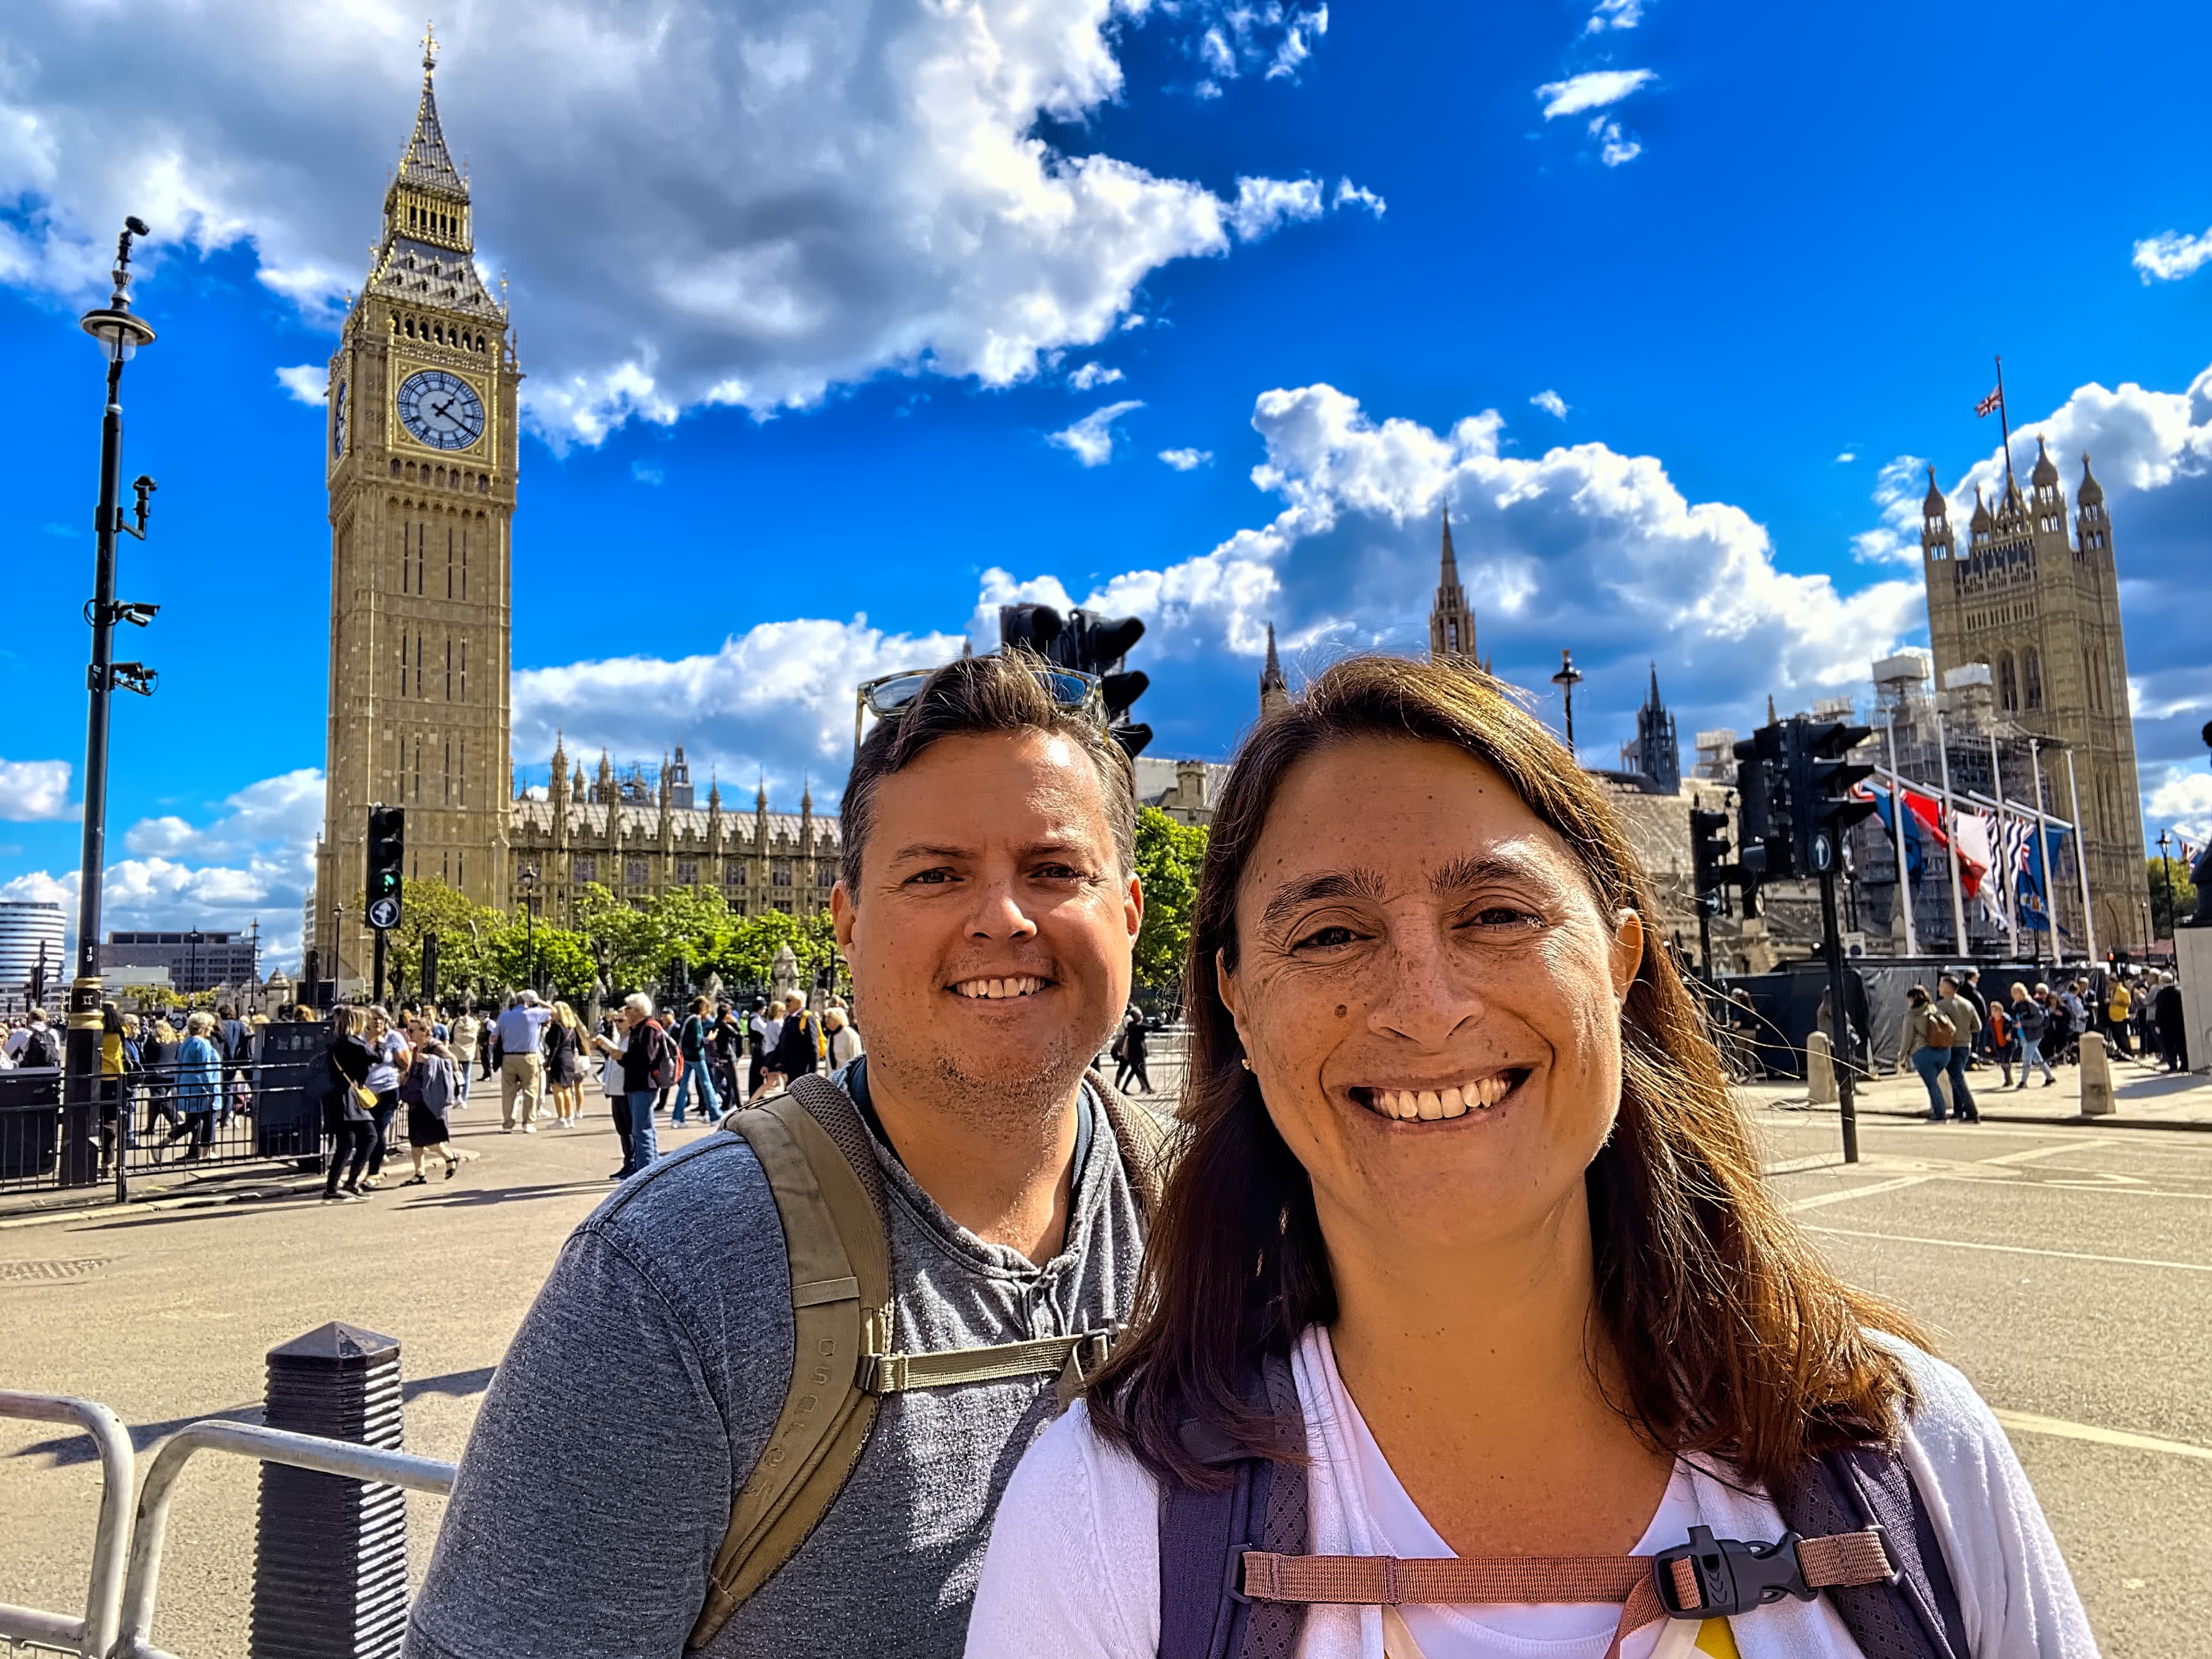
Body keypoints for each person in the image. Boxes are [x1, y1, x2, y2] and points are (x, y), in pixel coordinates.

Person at [963, 651, 2093, 1659]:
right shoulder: (1108, 1524)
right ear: (1239, 1007)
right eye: (1331, 934)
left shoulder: (1910, 1458)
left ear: (1620, 958)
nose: (1424, 1004)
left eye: (1498, 914)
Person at [406, 649, 1155, 1659]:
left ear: (1132, 913)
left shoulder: (1220, 1211)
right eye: (936, 873)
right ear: (845, 923)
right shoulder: (669, 1286)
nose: (1002, 917)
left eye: (1054, 869)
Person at [321, 1007, 378, 1202]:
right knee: (367, 1137)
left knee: (348, 1143)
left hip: (340, 1097)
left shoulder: (338, 1041)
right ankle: (347, 1184)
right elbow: (374, 1057)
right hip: (346, 1098)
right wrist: (376, 1042)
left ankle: (335, 1187)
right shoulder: (351, 1042)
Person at [400, 1019, 464, 1182]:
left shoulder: (435, 1047)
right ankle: (419, 1174)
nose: (410, 1034)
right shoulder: (416, 1049)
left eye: (413, 1031)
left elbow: (452, 1062)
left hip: (430, 1099)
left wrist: (430, 1060)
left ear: (424, 1031)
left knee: (429, 1140)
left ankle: (450, 1157)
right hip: (416, 1098)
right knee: (416, 1140)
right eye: (409, 1030)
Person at [362, 1006, 410, 1187]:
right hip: (366, 1093)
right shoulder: (361, 1036)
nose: (377, 1022)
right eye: (374, 1018)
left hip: (388, 1090)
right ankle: (376, 1159)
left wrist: (395, 1054)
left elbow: (406, 1063)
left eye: (380, 1018)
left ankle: (373, 1172)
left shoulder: (393, 1037)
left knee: (377, 1130)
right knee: (368, 1132)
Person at [166, 1011, 224, 1160]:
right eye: (209, 1027)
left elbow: (179, 1066)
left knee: (193, 1121)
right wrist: (211, 1089)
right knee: (210, 1119)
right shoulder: (202, 1044)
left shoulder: (186, 1042)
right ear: (203, 1027)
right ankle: (206, 1152)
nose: (211, 1030)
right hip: (203, 1089)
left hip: (188, 1087)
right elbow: (205, 1069)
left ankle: (164, 1142)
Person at [494, 990, 552, 1131]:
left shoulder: (504, 1015)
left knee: (508, 1092)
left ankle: (508, 1123)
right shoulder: (535, 1013)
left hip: (508, 1057)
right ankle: (528, 1123)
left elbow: (494, 1036)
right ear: (528, 1001)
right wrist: (539, 1000)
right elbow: (554, 1011)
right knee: (531, 1090)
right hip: (528, 1056)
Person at [1932, 973, 1980, 1123]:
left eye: (1941, 985)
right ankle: (1958, 1111)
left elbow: (1934, 1026)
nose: (1939, 987)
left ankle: (1972, 1112)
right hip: (1965, 1045)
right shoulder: (1967, 1004)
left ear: (1947, 988)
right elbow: (1977, 1026)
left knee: (1957, 1078)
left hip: (1950, 1046)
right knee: (1956, 1077)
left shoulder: (1941, 1006)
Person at [671, 995, 720, 1126]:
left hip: (685, 1056)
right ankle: (715, 1115)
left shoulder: (687, 1018)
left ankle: (677, 1117)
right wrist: (709, 1039)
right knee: (707, 1085)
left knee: (683, 1087)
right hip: (697, 1057)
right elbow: (697, 1041)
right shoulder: (696, 1020)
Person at [545, 1000, 589, 1125]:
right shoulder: (571, 1028)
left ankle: (561, 1118)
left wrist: (548, 1063)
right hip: (569, 1059)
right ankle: (570, 1118)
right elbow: (573, 1045)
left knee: (557, 1088)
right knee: (567, 1089)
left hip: (558, 1060)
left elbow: (554, 1047)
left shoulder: (557, 1027)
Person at [2009, 980, 2057, 1088]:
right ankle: (2050, 1078)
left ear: (2022, 993)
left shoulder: (2030, 1004)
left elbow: (2039, 1019)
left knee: (2026, 1058)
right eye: (2013, 992)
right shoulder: (2015, 1006)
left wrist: (2023, 1023)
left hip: (2034, 1035)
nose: (2013, 995)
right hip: (2024, 1036)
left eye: (2015, 992)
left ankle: (2023, 1082)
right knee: (2037, 1059)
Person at [770, 989, 820, 1086]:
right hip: (790, 1070)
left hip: (802, 1070)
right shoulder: (789, 1019)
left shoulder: (807, 1017)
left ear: (799, 1001)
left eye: (789, 1000)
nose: (786, 1003)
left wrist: (812, 1072)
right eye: (786, 1000)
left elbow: (813, 1046)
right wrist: (767, 1065)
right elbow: (781, 1044)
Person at [1111, 1005, 1151, 1094]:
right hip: (1127, 1046)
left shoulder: (1123, 1018)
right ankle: (1120, 1087)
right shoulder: (1129, 1020)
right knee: (1127, 1067)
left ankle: (1144, 1087)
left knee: (1133, 1068)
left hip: (1125, 1045)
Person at [2152, 973, 2187, 1072]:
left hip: (2166, 1024)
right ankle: (2184, 1065)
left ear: (2162, 981)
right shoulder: (2179, 992)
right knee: (2181, 1045)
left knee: (2169, 1046)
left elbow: (2159, 1011)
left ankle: (2173, 1065)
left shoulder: (2161, 994)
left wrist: (2158, 1024)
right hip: (2179, 1023)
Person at [746, 996, 779, 1097]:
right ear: (760, 1008)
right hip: (759, 1048)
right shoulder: (756, 1020)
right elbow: (766, 1031)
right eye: (764, 1008)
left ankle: (757, 1093)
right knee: (758, 1071)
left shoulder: (756, 1019)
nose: (765, 1011)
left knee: (758, 1071)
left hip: (759, 1047)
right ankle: (756, 1093)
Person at [448, 1005, 479, 1109]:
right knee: (466, 1076)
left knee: (455, 1076)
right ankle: (464, 1098)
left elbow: (450, 1034)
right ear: (469, 1012)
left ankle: (456, 1097)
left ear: (458, 1012)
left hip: (456, 1052)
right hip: (469, 1053)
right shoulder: (474, 1023)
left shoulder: (455, 1022)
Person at [823, 1005, 863, 1069]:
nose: (827, 1020)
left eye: (830, 1017)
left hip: (846, 1076)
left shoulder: (849, 1035)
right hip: (833, 1076)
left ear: (838, 1018)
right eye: (826, 1017)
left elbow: (856, 1059)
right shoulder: (832, 1036)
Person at [2104, 974, 2134, 1059]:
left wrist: (2113, 1002)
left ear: (2114, 982)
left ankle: (2128, 1054)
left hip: (2121, 1018)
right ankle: (2121, 1054)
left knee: (2122, 1037)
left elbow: (2128, 1004)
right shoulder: (2113, 991)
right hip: (2114, 1018)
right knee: (2117, 1037)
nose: (2108, 985)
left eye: (2109, 983)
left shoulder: (2122, 991)